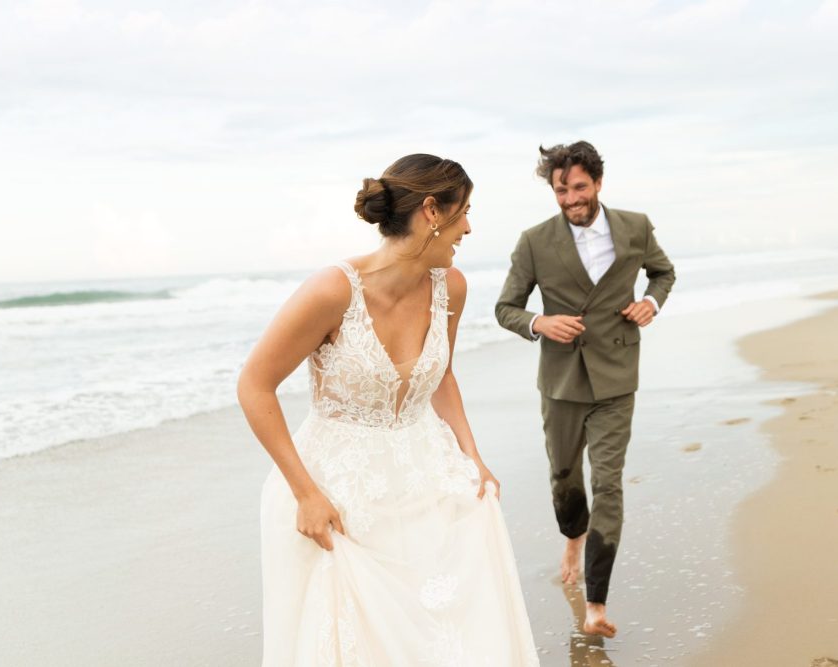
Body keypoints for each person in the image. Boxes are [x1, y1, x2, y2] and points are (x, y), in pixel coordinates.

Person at [238, 154, 538, 666]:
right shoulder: (332, 290)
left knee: (446, 632)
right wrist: (305, 494)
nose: (469, 226)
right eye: (464, 211)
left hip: (426, 476)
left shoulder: (452, 287)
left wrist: (473, 456)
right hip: (337, 491)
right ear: (431, 211)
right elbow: (255, 386)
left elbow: (440, 375)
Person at [495, 141, 676, 637]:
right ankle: (573, 534)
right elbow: (505, 306)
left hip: (617, 373)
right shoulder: (534, 241)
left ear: (597, 183)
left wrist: (650, 304)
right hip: (561, 380)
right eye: (561, 189)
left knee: (609, 484)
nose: (571, 198)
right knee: (564, 475)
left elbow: (663, 272)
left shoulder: (635, 227)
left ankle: (597, 602)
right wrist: (539, 322)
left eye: (579, 187)